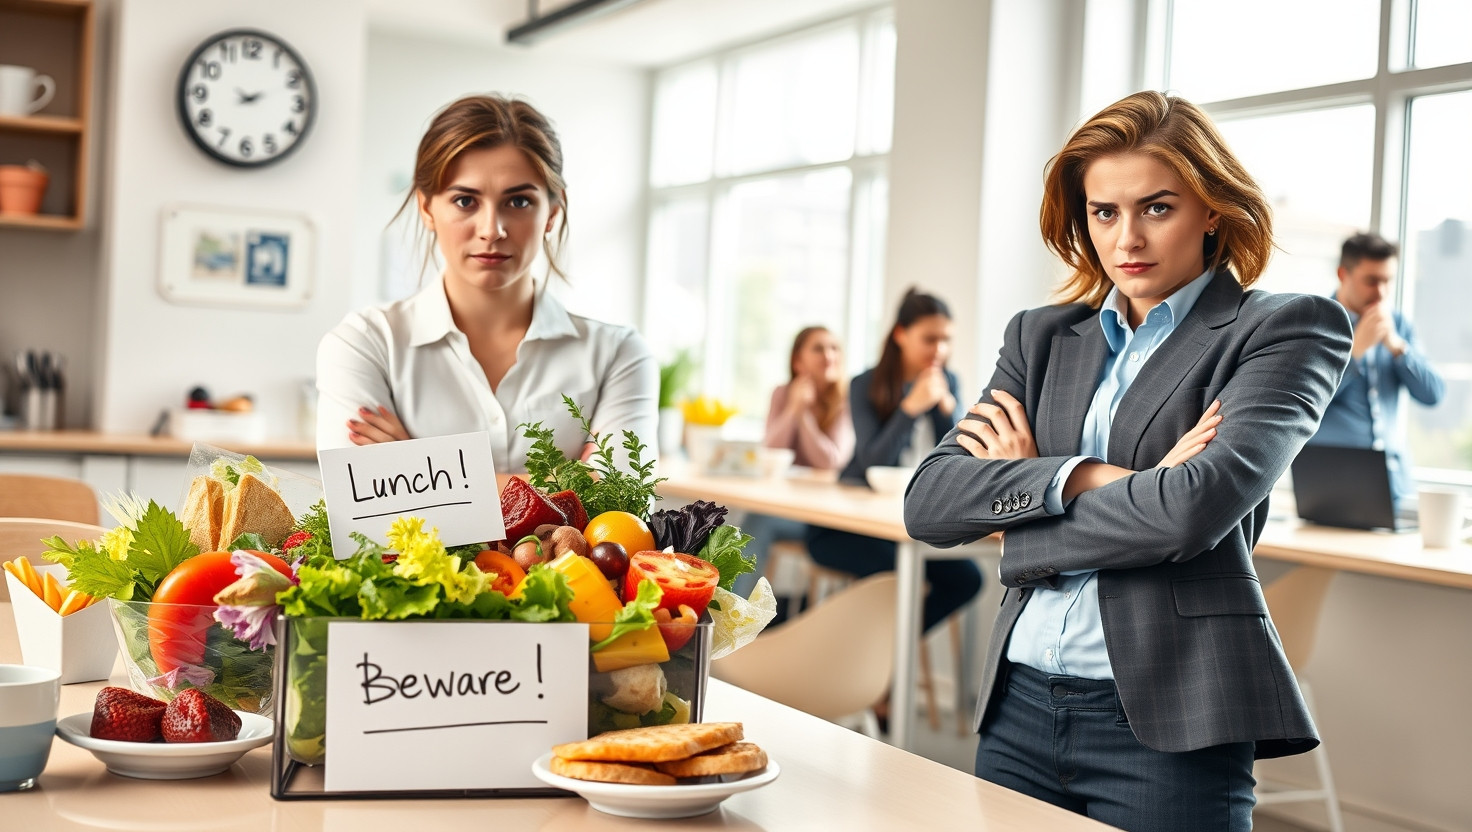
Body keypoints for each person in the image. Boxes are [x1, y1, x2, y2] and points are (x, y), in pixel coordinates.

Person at [904, 91, 1352, 832]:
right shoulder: (1041, 338)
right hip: (1017, 706)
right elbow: (931, 503)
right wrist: (1096, 478)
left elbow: (1187, 516)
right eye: (1104, 212)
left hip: (1170, 716)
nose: (1127, 238)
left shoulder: (1284, 329)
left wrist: (1021, 514)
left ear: (1211, 208)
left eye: (1158, 207)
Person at [315, 95, 658, 473]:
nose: (491, 230)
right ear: (427, 208)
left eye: (519, 202)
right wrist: (574, 487)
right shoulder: (365, 344)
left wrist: (419, 471)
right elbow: (358, 504)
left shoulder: (618, 355)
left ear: (553, 212)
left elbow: (624, 503)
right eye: (465, 201)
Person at [805, 290, 983, 633]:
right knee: (898, 573)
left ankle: (887, 657)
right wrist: (910, 408)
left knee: (968, 579)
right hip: (844, 529)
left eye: (946, 340)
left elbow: (958, 460)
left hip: (901, 528)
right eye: (929, 339)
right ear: (900, 334)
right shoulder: (864, 384)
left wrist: (946, 409)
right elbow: (874, 461)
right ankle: (869, 661)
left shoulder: (947, 381)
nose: (940, 350)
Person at [1306, 232, 1444, 507]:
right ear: (1343, 273)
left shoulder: (1398, 325)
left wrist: (1398, 348)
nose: (1380, 292)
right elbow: (1303, 399)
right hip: (1332, 486)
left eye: (1387, 281)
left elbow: (1433, 395)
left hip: (1397, 486)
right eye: (1371, 281)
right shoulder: (1313, 323)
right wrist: (1354, 354)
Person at [733, 326, 856, 599]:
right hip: (790, 507)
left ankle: (732, 622)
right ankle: (732, 617)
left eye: (834, 347)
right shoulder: (782, 393)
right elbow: (770, 450)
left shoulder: (846, 400)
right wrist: (792, 407)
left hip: (825, 516)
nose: (829, 355)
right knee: (750, 521)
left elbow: (831, 461)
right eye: (818, 348)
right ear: (798, 361)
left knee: (757, 523)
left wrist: (804, 416)